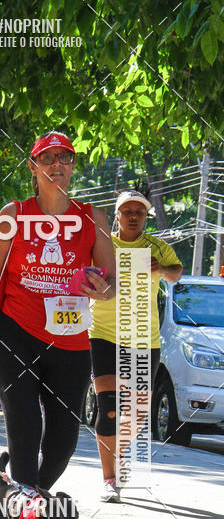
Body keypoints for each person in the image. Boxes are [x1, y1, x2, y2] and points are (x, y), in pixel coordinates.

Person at [0, 130, 116, 519]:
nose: (57, 165)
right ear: (33, 168)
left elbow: (111, 286)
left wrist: (102, 287)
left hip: (70, 342)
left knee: (65, 438)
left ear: (72, 166)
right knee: (25, 427)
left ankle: (27, 499)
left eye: (64, 158)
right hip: (17, 333)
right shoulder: (13, 215)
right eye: (47, 158)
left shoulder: (92, 218)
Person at [89, 190, 183, 502]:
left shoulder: (156, 246)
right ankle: (109, 479)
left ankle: (119, 454)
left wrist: (161, 269)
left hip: (143, 338)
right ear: (116, 215)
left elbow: (176, 274)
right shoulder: (102, 244)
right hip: (102, 333)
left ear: (145, 217)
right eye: (126, 211)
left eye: (138, 212)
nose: (132, 216)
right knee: (110, 407)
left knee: (138, 414)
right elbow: (82, 278)